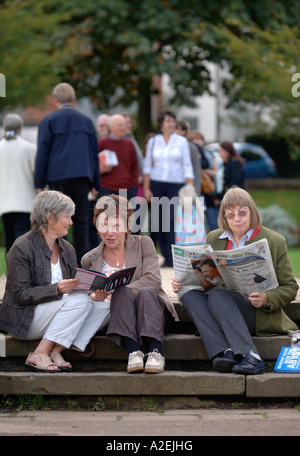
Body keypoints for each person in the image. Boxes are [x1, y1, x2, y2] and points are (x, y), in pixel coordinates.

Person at [172, 187, 299, 375]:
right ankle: (224, 352)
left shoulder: (275, 240)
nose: (236, 219)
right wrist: (183, 282)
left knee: (217, 295)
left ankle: (251, 356)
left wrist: (266, 298)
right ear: (224, 216)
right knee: (189, 296)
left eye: (242, 213)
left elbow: (290, 287)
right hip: (221, 307)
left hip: (255, 312)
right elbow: (207, 278)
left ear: (252, 212)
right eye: (230, 215)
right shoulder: (215, 238)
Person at [0, 191, 110, 372]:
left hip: (58, 313)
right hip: (24, 318)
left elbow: (74, 289)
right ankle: (38, 353)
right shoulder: (22, 247)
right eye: (67, 217)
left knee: (104, 307)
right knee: (80, 302)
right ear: (50, 217)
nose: (71, 222)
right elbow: (21, 294)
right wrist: (56, 289)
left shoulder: (67, 249)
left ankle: (56, 350)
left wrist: (93, 295)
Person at [81, 194, 178, 374]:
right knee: (122, 294)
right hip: (120, 317)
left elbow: (154, 279)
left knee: (144, 292)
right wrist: (96, 296)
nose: (110, 232)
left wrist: (115, 292)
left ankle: (156, 351)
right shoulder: (89, 259)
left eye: (116, 226)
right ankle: (134, 351)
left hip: (151, 310)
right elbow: (86, 293)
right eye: (105, 225)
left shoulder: (143, 243)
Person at [34, 82, 101, 266]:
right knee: (80, 220)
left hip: (58, 176)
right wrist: (96, 181)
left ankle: (57, 262)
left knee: (56, 221)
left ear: (56, 99)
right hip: (82, 176)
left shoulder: (49, 121)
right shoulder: (86, 121)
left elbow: (43, 151)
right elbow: (94, 154)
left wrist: (39, 181)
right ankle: (82, 264)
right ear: (73, 99)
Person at [143, 109, 194, 267]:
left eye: (172, 120)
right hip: (156, 183)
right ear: (161, 124)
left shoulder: (181, 141)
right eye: (168, 121)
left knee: (171, 219)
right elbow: (147, 167)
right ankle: (164, 255)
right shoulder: (153, 141)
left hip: (175, 184)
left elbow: (187, 165)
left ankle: (173, 257)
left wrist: (190, 187)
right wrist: (146, 188)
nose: (171, 124)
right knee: (158, 222)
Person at [0, 114, 37, 255]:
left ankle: (11, 272)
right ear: (20, 129)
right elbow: (36, 174)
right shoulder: (29, 148)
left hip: (4, 204)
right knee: (23, 241)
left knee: (10, 241)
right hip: (25, 202)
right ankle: (22, 273)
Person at [98, 114, 139, 202]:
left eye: (124, 125)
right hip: (106, 188)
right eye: (119, 125)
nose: (123, 127)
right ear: (111, 127)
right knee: (107, 215)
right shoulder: (102, 143)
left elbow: (135, 166)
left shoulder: (129, 144)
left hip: (126, 189)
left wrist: (134, 185)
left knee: (124, 215)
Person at [176, 120, 201, 196]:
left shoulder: (190, 147)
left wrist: (196, 189)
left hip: (188, 188)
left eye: (177, 129)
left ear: (184, 131)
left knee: (189, 207)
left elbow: (196, 169)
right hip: (174, 188)